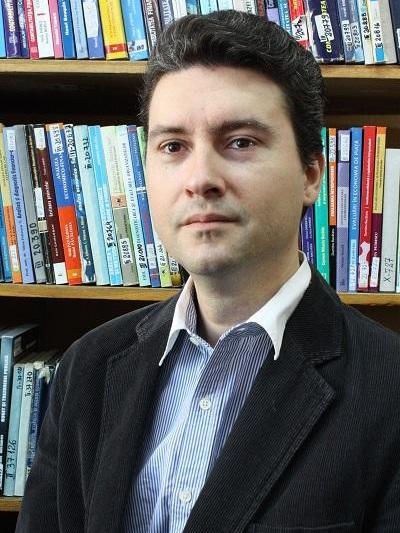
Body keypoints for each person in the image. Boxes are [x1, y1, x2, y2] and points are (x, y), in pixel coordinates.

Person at [17, 10, 400, 533]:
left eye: (240, 141)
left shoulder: (390, 389)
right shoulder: (87, 367)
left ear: (311, 173)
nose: (199, 178)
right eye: (173, 146)